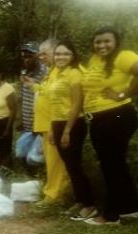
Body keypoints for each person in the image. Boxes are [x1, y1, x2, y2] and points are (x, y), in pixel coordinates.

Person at [81, 26, 138, 225]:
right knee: (116, 166)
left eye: (107, 41)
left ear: (115, 42)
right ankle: (130, 209)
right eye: (98, 42)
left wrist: (124, 94)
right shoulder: (95, 60)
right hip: (99, 118)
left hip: (117, 116)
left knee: (111, 167)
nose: (102, 45)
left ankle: (110, 216)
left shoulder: (124, 56)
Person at [44, 41, 97, 220]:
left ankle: (90, 205)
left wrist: (67, 131)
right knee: (70, 166)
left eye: (65, 54)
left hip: (73, 124)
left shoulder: (74, 74)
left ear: (72, 56)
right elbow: (54, 104)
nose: (61, 57)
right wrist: (53, 128)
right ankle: (80, 201)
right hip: (58, 124)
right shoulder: (55, 73)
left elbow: (76, 105)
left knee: (75, 166)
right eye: (58, 54)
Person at [30, 38, 71, 207]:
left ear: (56, 52)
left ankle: (54, 196)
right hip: (46, 124)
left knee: (56, 164)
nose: (40, 57)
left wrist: (55, 126)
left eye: (44, 53)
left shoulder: (63, 72)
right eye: (39, 54)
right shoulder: (51, 72)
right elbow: (46, 95)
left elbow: (63, 101)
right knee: (51, 162)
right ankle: (53, 192)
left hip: (54, 124)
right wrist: (34, 86)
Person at [18, 41, 49, 172]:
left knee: (36, 157)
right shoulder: (25, 72)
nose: (26, 59)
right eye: (24, 55)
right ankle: (31, 179)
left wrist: (41, 124)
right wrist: (20, 118)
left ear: (37, 56)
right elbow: (23, 96)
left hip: (40, 123)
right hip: (27, 122)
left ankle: (42, 179)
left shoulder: (45, 72)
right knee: (21, 153)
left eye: (30, 55)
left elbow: (46, 96)